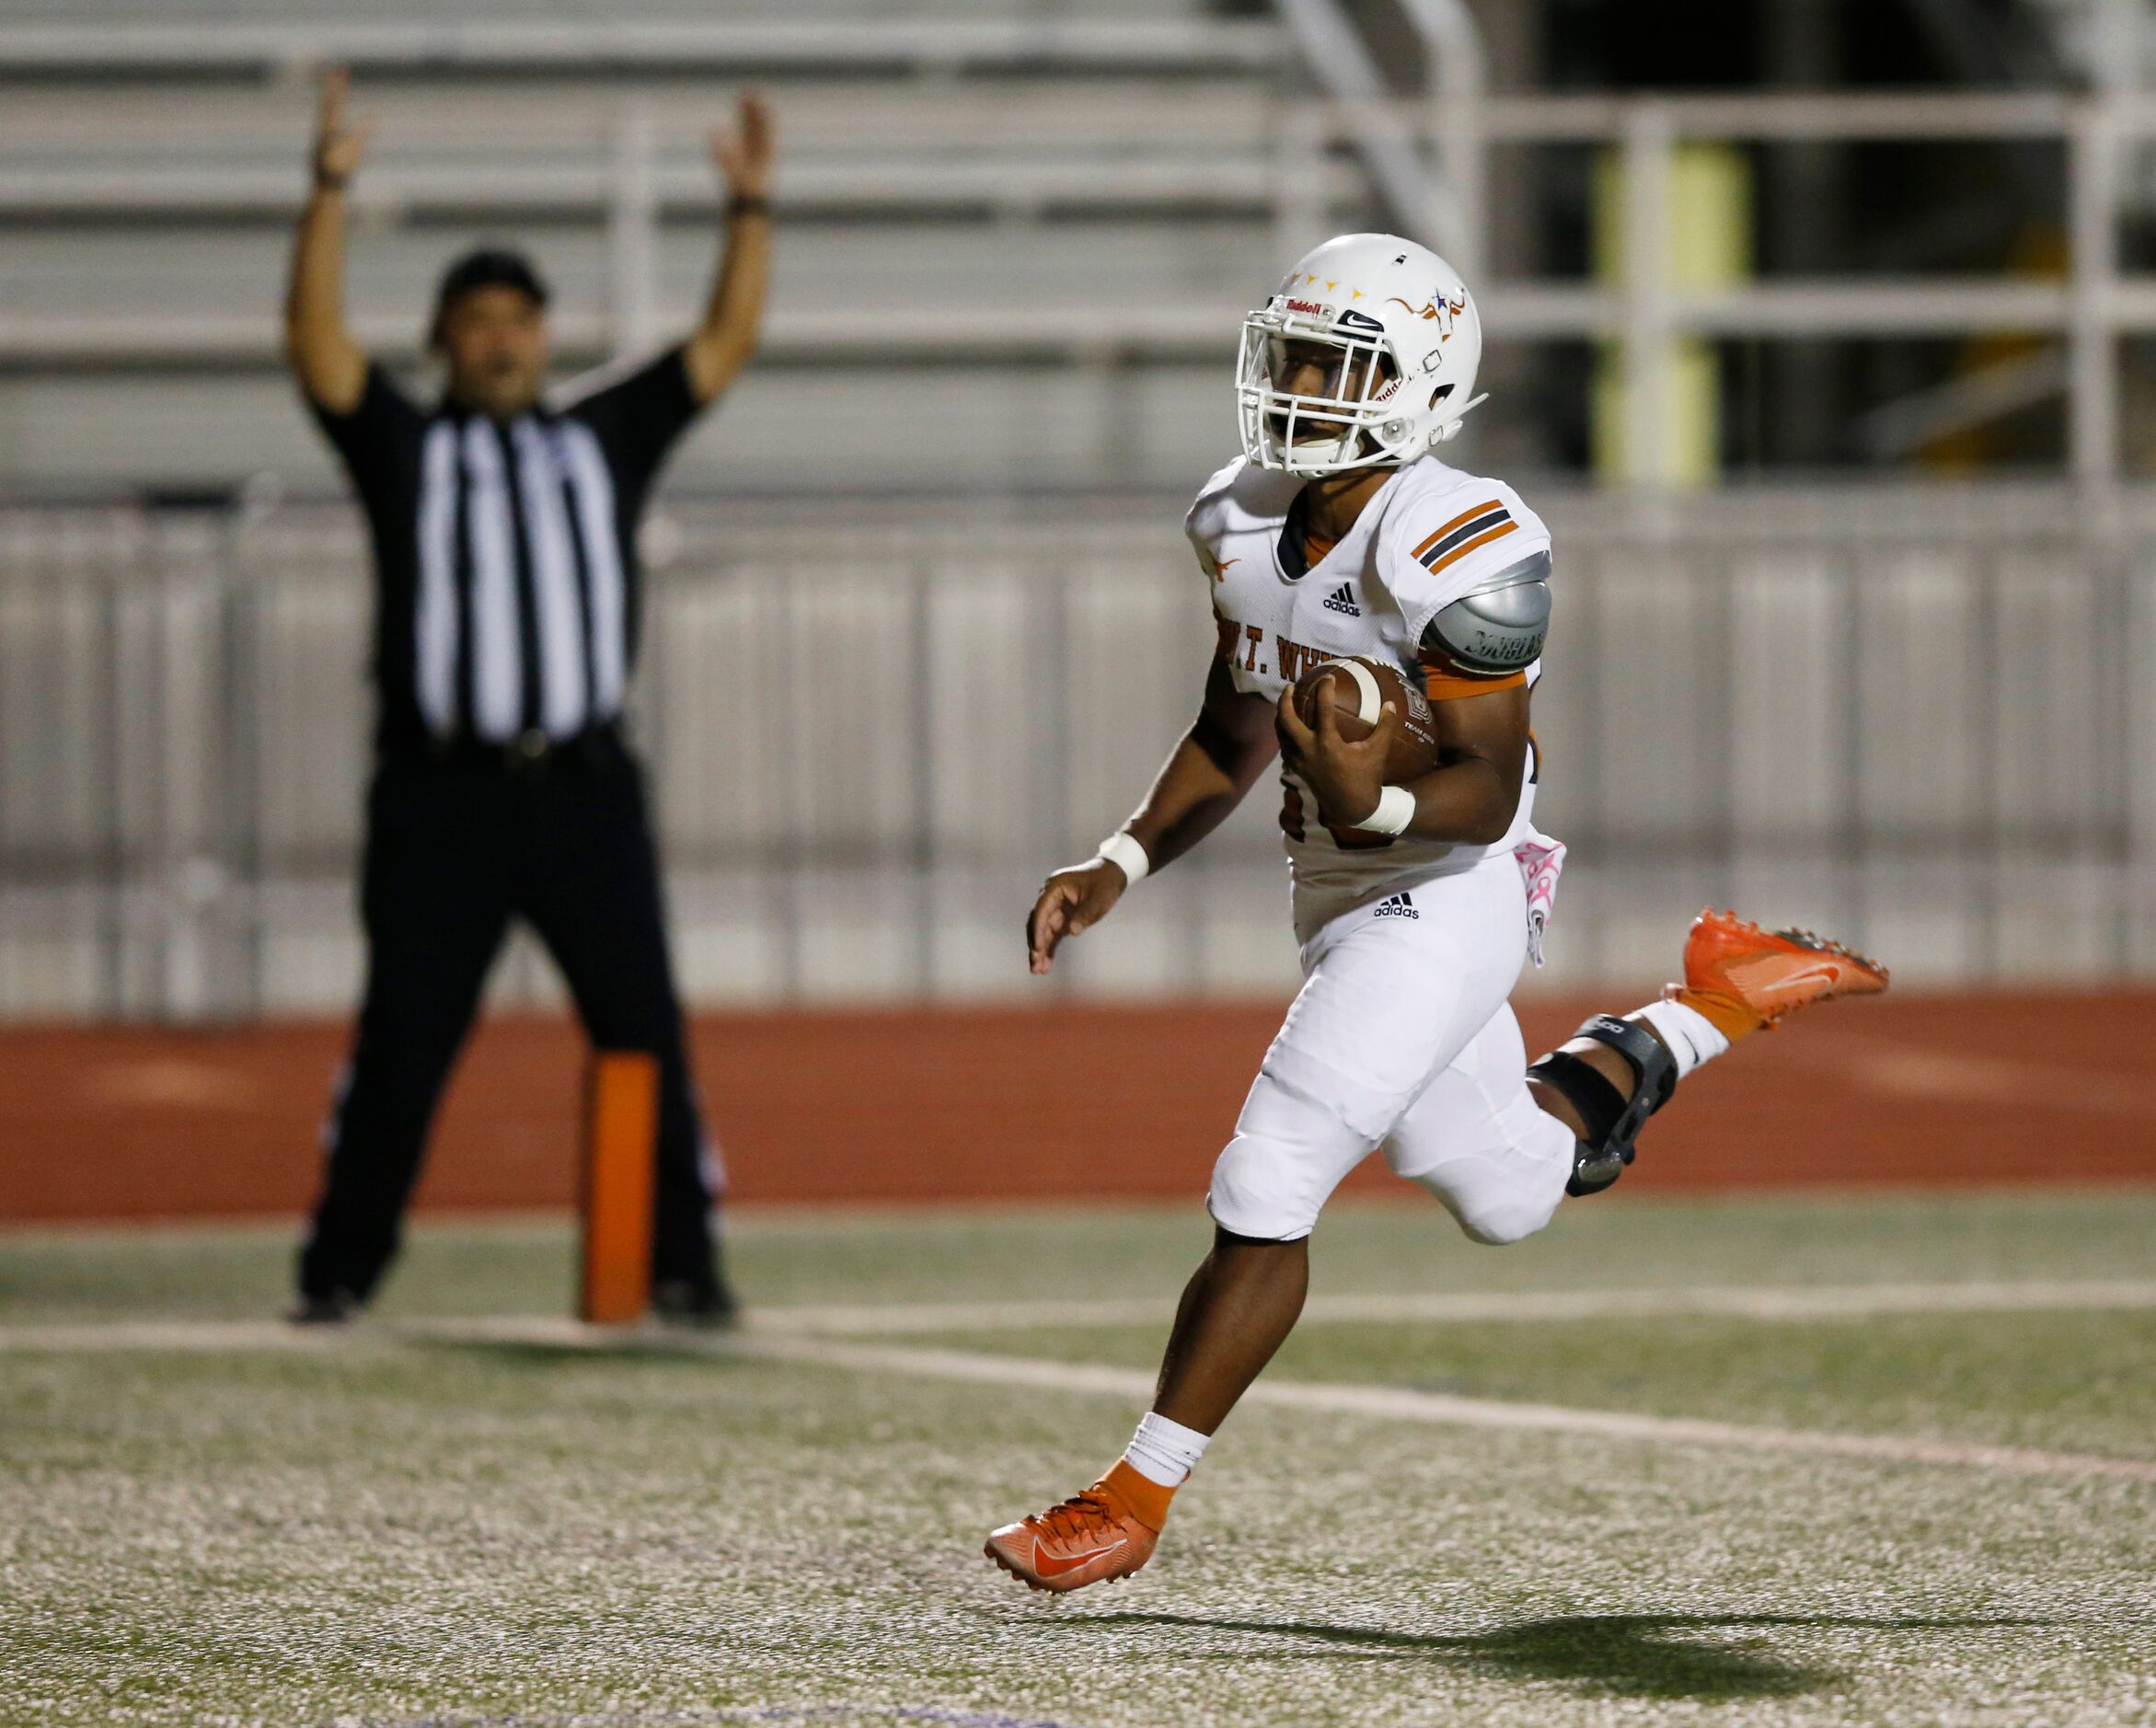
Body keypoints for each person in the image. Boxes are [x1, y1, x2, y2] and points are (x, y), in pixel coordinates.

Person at [984, 233, 1888, 1592]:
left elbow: (1490, 777)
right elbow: (1232, 722)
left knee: (1271, 1173)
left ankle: (1129, 1496)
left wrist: (1377, 804)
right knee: (1509, 1187)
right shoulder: (1237, 515)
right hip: (1342, 887)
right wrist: (1118, 859)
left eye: (1331, 360)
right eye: (1288, 351)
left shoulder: (1462, 537)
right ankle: (1705, 1006)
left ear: (1417, 384)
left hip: (1447, 883)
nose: (1295, 381)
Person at [282, 69, 775, 1324]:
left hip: (584, 788)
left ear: (542, 335)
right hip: (440, 794)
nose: (501, 338)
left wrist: (751, 215)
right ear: (445, 337)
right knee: (403, 1043)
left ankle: (685, 1261)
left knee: (644, 1031)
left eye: (519, 318)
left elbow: (716, 353)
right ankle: (339, 1271)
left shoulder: (597, 437)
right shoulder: (407, 447)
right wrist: (329, 191)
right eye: (478, 319)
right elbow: (319, 354)